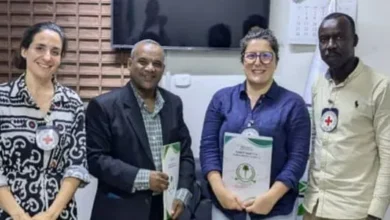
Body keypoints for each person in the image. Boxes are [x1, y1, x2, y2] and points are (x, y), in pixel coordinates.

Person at [200, 29, 311, 220]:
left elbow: (297, 159)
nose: (258, 62)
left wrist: (270, 198)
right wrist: (220, 192)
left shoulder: (294, 105)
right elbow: (208, 149)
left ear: (276, 61)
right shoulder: (222, 99)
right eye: (251, 55)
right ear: (243, 61)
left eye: (266, 56)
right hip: (226, 209)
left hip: (274, 210)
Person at [86, 39, 195, 220]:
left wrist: (182, 194)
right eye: (143, 62)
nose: (150, 68)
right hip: (120, 211)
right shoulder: (103, 106)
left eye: (157, 64)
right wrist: (143, 179)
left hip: (165, 209)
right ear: (130, 64)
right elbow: (96, 160)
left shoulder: (173, 104)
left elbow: (185, 154)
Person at [303, 12, 390, 220]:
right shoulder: (318, 85)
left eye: (338, 37)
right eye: (324, 39)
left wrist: (375, 212)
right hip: (313, 206)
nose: (330, 45)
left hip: (355, 211)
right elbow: (316, 143)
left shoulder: (380, 87)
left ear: (355, 41)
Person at [0, 22, 90, 220]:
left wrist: (50, 215)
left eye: (55, 51)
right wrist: (18, 215)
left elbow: (77, 165)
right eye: (40, 48)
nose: (47, 57)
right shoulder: (2, 99)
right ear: (25, 50)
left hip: (60, 215)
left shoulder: (71, 102)